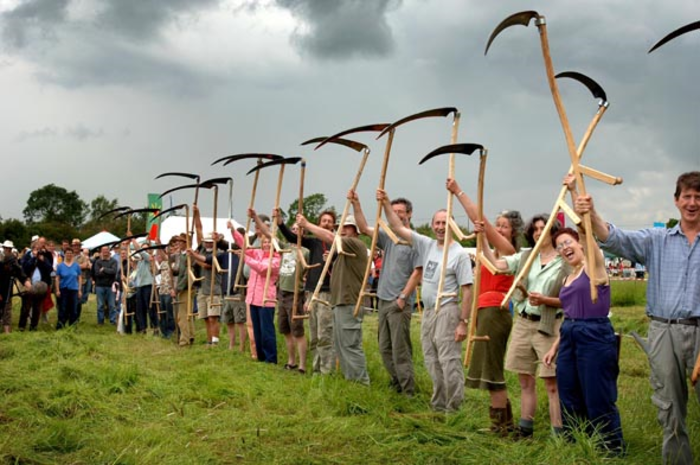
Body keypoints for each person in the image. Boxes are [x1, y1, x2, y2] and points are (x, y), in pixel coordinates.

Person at [576, 171, 700, 464]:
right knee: (669, 407)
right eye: (687, 196)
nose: (693, 203)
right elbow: (615, 238)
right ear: (676, 200)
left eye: (698, 197)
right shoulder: (657, 240)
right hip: (663, 331)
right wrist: (591, 213)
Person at [379, 188, 473, 411]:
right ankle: (438, 403)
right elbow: (397, 227)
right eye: (437, 223)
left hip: (448, 310)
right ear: (432, 225)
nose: (440, 227)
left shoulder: (459, 254)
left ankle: (454, 407)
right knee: (431, 358)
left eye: (444, 223)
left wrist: (463, 322)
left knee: (448, 359)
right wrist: (385, 202)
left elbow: (467, 290)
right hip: (429, 311)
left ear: (452, 225)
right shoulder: (427, 245)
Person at [447, 177, 523, 434]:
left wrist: (459, 192)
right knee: (489, 369)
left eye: (504, 227)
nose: (499, 229)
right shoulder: (491, 252)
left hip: (496, 312)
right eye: (498, 225)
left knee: (492, 371)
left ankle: (501, 428)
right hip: (485, 312)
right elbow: (482, 233)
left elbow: (482, 222)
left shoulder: (509, 251)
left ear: (513, 232)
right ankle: (504, 423)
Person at [481, 214, 568, 438]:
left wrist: (546, 300)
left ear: (553, 232)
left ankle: (558, 432)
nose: (539, 232)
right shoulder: (526, 256)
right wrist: (482, 238)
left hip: (549, 324)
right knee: (525, 379)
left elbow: (571, 299)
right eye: (536, 229)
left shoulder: (564, 260)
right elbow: (495, 265)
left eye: (544, 228)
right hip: (523, 321)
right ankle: (525, 429)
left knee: (551, 382)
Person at [543, 222, 624, 454]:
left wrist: (584, 222)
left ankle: (610, 449)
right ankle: (577, 445)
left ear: (580, 243)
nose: (564, 248)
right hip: (569, 335)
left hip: (594, 335)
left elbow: (594, 250)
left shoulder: (594, 269)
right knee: (568, 394)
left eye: (568, 242)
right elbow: (569, 315)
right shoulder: (570, 276)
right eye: (559, 246)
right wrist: (554, 348)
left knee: (597, 395)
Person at [350, 191, 421, 396]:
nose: (396, 215)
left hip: (399, 302)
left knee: (400, 350)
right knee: (384, 347)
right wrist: (356, 203)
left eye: (400, 212)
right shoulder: (389, 237)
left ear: (409, 214)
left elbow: (418, 272)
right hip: (383, 299)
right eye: (393, 211)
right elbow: (363, 228)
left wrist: (403, 297)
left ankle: (408, 391)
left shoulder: (415, 240)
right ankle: (396, 381)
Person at [297, 212, 369, 384]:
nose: (342, 230)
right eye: (341, 227)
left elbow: (330, 236)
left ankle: (361, 384)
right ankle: (350, 381)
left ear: (356, 231)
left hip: (350, 302)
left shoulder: (355, 244)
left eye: (347, 227)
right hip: (339, 302)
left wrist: (307, 225)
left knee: (350, 346)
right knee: (341, 346)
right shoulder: (342, 251)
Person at [278, 209, 337, 375]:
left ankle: (327, 371)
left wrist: (331, 260)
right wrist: (281, 223)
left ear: (333, 225)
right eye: (323, 220)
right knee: (314, 333)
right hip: (311, 292)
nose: (326, 223)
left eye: (329, 221)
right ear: (319, 223)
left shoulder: (337, 242)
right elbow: (291, 238)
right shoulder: (314, 243)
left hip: (327, 292)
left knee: (325, 333)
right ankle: (316, 369)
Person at [257, 217, 309, 373]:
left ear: (303, 232)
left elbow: (309, 273)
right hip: (282, 292)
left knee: (297, 331)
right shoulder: (284, 246)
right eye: (292, 229)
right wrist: (255, 218)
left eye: (298, 229)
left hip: (295, 294)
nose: (294, 231)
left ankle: (302, 365)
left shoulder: (306, 251)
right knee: (285, 330)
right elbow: (268, 233)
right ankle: (291, 361)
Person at [229, 211, 281, 364]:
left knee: (267, 331)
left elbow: (262, 268)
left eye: (269, 243)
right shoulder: (257, 253)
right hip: (253, 298)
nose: (265, 245)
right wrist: (233, 231)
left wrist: (244, 257)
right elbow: (245, 246)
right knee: (257, 331)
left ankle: (271, 358)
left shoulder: (276, 259)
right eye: (264, 242)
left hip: (266, 299)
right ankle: (260, 356)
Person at [189, 232, 226, 346]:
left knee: (213, 317)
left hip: (213, 290)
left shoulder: (219, 254)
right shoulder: (202, 252)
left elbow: (207, 265)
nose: (209, 245)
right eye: (207, 242)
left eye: (211, 242)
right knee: (205, 317)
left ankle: (215, 341)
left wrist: (195, 257)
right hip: (202, 289)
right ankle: (209, 340)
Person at [0, 240, 31, 333]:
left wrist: (25, 281)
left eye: (9, 248)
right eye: (6, 248)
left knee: (7, 309)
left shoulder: (12, 261)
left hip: (6, 288)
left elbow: (19, 272)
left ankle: (7, 331)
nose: (7, 250)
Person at [55, 248, 82, 329]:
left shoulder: (76, 266)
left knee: (74, 309)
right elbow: (57, 278)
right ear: (64, 254)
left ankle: (73, 326)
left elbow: (79, 278)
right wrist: (57, 290)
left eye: (70, 253)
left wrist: (79, 290)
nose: (69, 255)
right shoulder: (60, 266)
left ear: (72, 255)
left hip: (74, 289)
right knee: (63, 308)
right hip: (64, 289)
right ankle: (61, 325)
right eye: (67, 253)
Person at [92, 245, 118, 326]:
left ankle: (113, 321)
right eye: (103, 250)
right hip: (100, 286)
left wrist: (103, 269)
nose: (105, 252)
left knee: (112, 305)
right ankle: (100, 321)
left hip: (110, 286)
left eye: (106, 250)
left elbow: (113, 271)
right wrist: (107, 271)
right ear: (101, 252)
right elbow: (97, 273)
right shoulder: (98, 262)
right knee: (100, 305)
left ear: (109, 251)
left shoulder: (113, 261)